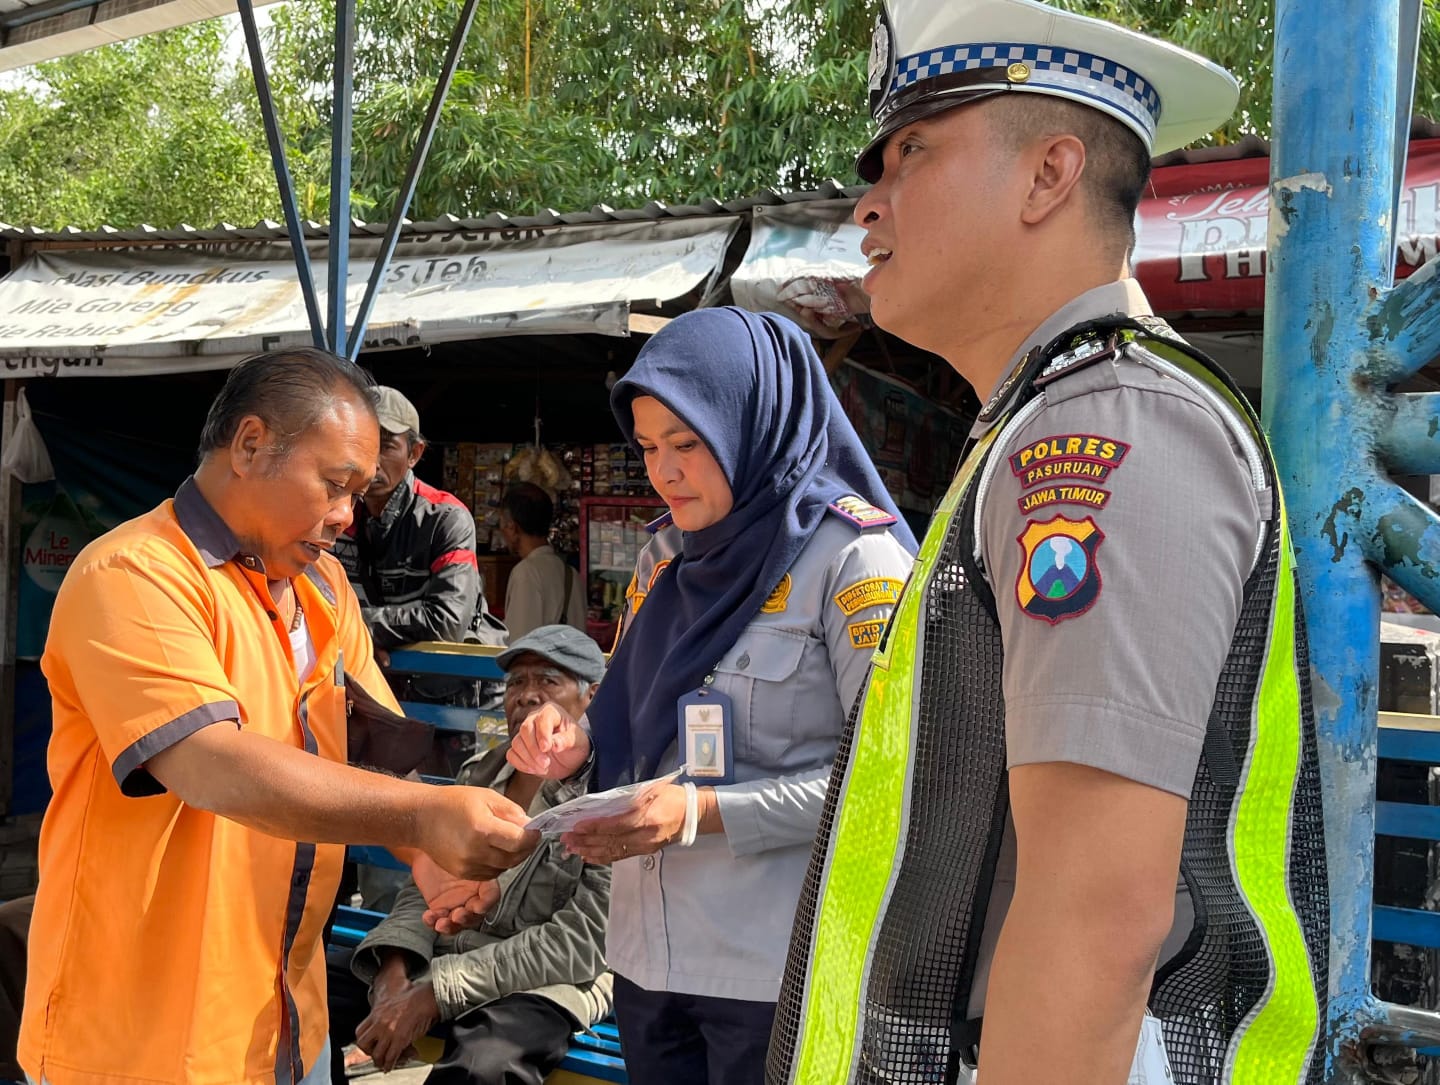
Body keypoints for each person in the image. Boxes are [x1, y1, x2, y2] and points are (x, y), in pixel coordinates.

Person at [766, 3, 1330, 1085]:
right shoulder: (1038, 422)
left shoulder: (1105, 428)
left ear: (1048, 176)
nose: (868, 203)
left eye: (914, 150)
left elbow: (1096, 913)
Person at [20, 349, 537, 1085]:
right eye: (333, 485)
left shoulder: (324, 585)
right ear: (252, 444)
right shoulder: (135, 573)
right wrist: (420, 817)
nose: (344, 517)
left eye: (357, 494)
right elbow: (210, 760)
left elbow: (371, 757)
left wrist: (427, 856)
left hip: (285, 1017)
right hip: (140, 1038)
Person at [505, 307, 917, 1085]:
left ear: (753, 424)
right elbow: (632, 710)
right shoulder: (665, 558)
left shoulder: (856, 562)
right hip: (646, 958)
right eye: (649, 446)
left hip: (774, 969)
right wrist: (570, 739)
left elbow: (886, 783)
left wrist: (701, 812)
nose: (663, 471)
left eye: (688, 444)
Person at [328, 625, 613, 1085]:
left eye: (548, 681)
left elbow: (581, 944)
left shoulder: (608, 797)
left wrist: (438, 991)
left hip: (544, 983)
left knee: (485, 1066)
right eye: (517, 683)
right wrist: (395, 969)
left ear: (592, 698)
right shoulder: (479, 773)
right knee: (303, 991)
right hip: (439, 958)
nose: (527, 696)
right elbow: (424, 888)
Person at [334, 385, 487, 666]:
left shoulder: (445, 518)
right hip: (376, 683)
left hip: (448, 689)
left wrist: (358, 626)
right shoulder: (335, 515)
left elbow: (447, 622)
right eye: (360, 443)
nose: (371, 460)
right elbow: (309, 609)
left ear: (414, 453)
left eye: (386, 445)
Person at [498, 483, 586, 639]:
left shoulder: (526, 573)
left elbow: (518, 643)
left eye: (503, 525)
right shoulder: (571, 574)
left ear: (512, 528)